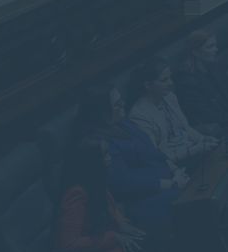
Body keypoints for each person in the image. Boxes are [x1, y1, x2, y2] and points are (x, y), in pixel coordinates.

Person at [76, 87, 184, 232]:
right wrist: (170, 184)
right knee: (187, 203)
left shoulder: (124, 124)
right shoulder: (100, 143)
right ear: (102, 113)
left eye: (122, 102)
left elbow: (153, 151)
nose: (123, 106)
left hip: (169, 182)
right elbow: (123, 183)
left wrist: (175, 170)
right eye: (117, 105)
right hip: (141, 201)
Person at [54, 136, 142, 252]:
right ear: (92, 163)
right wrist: (114, 237)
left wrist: (121, 224)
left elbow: (110, 207)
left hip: (106, 243)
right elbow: (68, 244)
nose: (110, 159)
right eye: (105, 155)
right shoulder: (76, 194)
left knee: (149, 242)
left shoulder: (95, 181)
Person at [127, 59, 220, 165]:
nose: (170, 83)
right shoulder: (139, 115)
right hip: (172, 162)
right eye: (164, 80)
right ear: (148, 85)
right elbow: (155, 155)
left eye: (170, 78)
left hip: (190, 148)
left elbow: (185, 128)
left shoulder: (169, 97)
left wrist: (202, 139)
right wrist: (194, 150)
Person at [173, 31, 228, 134]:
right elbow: (208, 115)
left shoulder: (214, 67)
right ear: (195, 52)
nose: (216, 49)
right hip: (221, 126)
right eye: (210, 47)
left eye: (215, 45)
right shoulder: (187, 83)